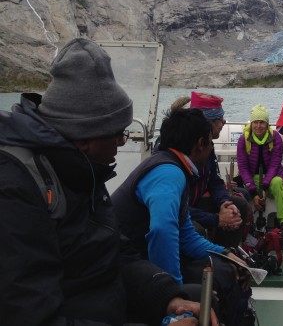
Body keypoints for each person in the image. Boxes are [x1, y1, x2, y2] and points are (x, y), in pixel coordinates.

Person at [0, 38, 216, 326]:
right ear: (85, 137)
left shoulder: (82, 169)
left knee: (200, 301)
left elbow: (114, 250)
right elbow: (29, 315)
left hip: (107, 307)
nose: (122, 142)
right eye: (116, 133)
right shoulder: (17, 189)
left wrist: (167, 298)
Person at [111, 107, 249, 325]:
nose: (211, 150)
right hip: (127, 265)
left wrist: (225, 253)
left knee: (225, 268)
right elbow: (162, 232)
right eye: (210, 144)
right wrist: (173, 296)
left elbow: (185, 234)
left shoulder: (174, 167)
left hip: (140, 258)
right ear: (200, 144)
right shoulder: (169, 173)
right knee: (216, 285)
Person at [187, 91, 249, 248]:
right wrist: (217, 219)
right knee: (196, 229)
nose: (223, 124)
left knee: (238, 206)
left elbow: (214, 181)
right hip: (180, 210)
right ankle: (214, 259)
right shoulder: (180, 150)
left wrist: (225, 204)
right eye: (220, 120)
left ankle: (226, 255)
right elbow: (174, 209)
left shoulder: (207, 146)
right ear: (207, 123)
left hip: (194, 204)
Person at [237, 103, 283, 235]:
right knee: (239, 191)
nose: (258, 126)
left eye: (262, 122)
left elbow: (274, 164)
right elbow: (243, 168)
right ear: (251, 123)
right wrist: (254, 194)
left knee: (279, 183)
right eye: (255, 122)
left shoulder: (275, 138)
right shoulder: (244, 139)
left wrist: (265, 188)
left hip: (271, 177)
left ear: (267, 124)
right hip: (251, 178)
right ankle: (246, 226)